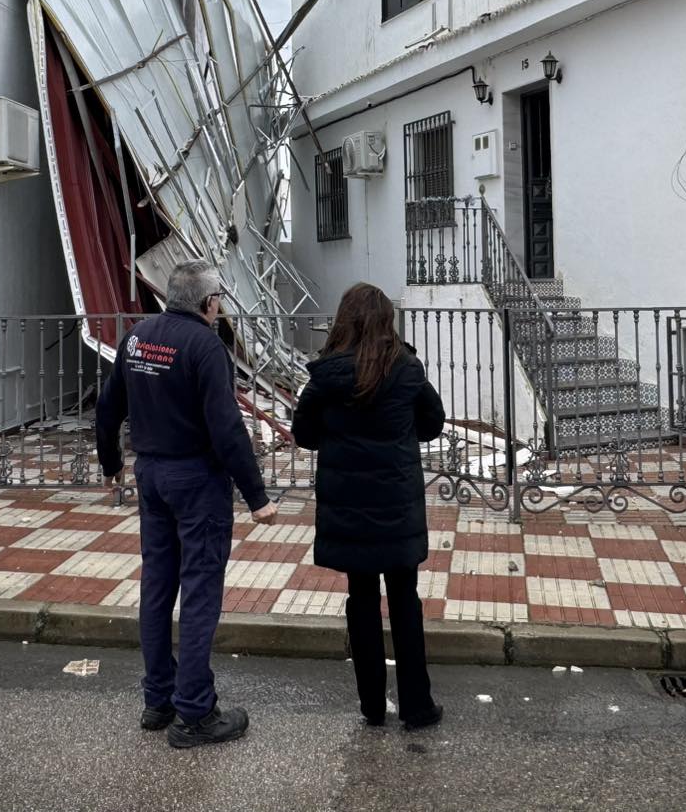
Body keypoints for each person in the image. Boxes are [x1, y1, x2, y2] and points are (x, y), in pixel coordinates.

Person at [95, 260, 278, 749]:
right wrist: (257, 496)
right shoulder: (205, 347)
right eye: (218, 299)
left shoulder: (136, 338)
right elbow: (226, 428)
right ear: (208, 302)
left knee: (157, 586)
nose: (219, 307)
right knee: (199, 592)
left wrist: (109, 461)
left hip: (151, 476)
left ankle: (159, 699)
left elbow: (108, 404)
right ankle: (194, 712)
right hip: (196, 481)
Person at [291, 283, 446, 732]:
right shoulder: (407, 369)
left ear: (344, 322)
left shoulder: (325, 377)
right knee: (404, 599)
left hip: (350, 509)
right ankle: (417, 706)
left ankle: (372, 706)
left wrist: (338, 438)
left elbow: (303, 434)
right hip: (397, 506)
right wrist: (398, 433)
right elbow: (432, 424)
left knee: (360, 599)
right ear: (386, 323)